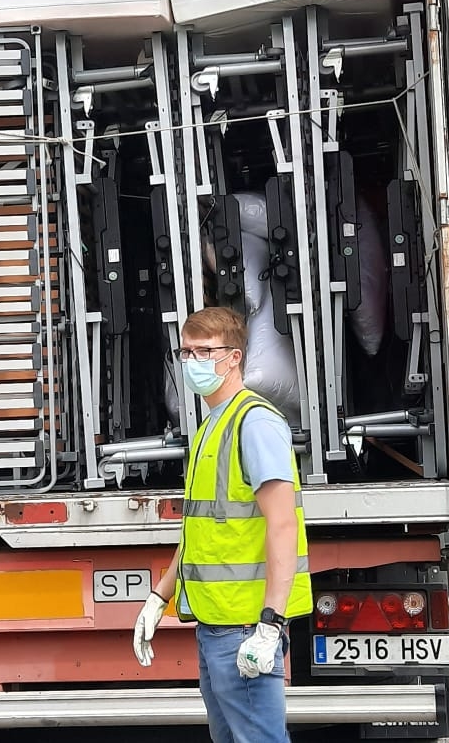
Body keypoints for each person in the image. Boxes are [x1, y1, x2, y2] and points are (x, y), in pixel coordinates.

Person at [132, 307, 312, 743]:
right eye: (186, 351)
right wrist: (161, 594)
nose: (193, 361)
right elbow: (202, 530)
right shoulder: (213, 425)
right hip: (216, 623)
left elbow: (282, 525)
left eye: (204, 351)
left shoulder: (255, 423)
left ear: (234, 358)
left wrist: (271, 623)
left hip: (246, 626)